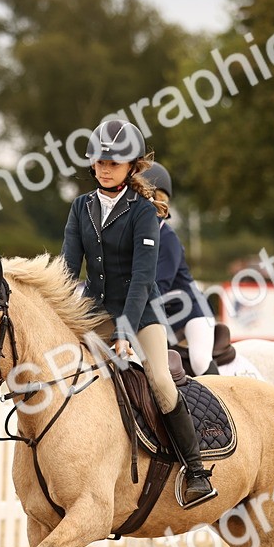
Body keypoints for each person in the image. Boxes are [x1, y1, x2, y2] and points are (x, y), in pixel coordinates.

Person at [61, 120, 217, 509]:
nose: (103, 168)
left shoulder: (143, 211)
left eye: (113, 162)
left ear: (132, 166)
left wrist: (126, 330)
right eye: (98, 161)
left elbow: (144, 278)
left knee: (161, 381)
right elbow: (67, 268)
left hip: (141, 315)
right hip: (94, 313)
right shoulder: (81, 207)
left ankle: (195, 471)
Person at [140, 162, 218, 376]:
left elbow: (160, 286)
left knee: (200, 360)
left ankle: (224, 402)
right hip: (165, 315)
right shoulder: (134, 237)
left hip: (192, 311)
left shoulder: (168, 239)